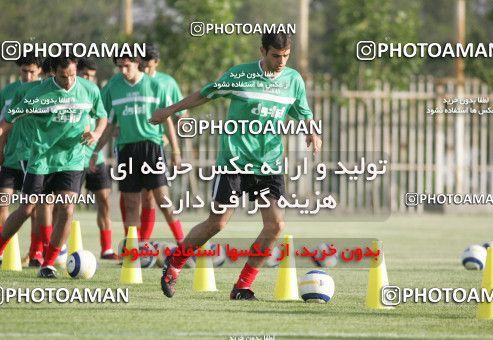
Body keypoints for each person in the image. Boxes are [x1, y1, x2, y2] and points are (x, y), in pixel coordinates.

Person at [150, 32, 322, 300]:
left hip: (269, 163)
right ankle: (174, 262)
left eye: (286, 56)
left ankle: (242, 287)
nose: (281, 62)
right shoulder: (240, 75)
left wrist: (312, 130)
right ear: (262, 51)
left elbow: (303, 111)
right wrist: (170, 110)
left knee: (276, 226)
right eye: (276, 56)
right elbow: (205, 94)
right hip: (234, 160)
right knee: (217, 223)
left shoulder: (293, 80)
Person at [0, 56, 107, 278]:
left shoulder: (89, 89)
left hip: (73, 159)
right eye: (62, 76)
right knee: (26, 209)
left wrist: (95, 133)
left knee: (67, 210)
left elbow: (102, 116)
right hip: (42, 159)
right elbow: (8, 120)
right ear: (53, 73)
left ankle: (47, 264)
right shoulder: (37, 94)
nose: (68, 82)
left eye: (72, 76)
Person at [91, 52, 185, 246]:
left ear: (137, 63)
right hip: (126, 150)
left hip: (152, 148)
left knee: (163, 200)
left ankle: (184, 245)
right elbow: (108, 125)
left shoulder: (155, 86)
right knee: (131, 203)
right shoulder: (114, 87)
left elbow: (167, 122)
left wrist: (175, 150)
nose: (123, 71)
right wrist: (95, 151)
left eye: (127, 66)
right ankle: (134, 251)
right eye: (119, 67)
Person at [117, 44, 186, 242]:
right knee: (134, 200)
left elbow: (178, 115)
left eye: (148, 65)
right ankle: (138, 247)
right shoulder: (122, 83)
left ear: (156, 63)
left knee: (159, 198)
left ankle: (184, 245)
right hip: (130, 147)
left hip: (154, 146)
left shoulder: (165, 83)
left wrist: (173, 146)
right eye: (142, 65)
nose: (145, 69)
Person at [0, 54, 43, 266]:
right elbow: (2, 125)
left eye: (32, 71)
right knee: (3, 203)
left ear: (40, 72)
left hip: (32, 157)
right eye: (24, 71)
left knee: (33, 207)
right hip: (11, 158)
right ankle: (4, 251)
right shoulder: (8, 92)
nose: (27, 75)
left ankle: (36, 254)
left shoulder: (44, 92)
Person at [77, 58, 118, 259]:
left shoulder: (96, 95)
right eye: (85, 75)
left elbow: (108, 122)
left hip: (96, 157)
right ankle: (55, 250)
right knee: (62, 205)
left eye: (92, 77)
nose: (88, 80)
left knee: (104, 199)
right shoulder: (72, 96)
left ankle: (107, 248)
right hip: (72, 160)